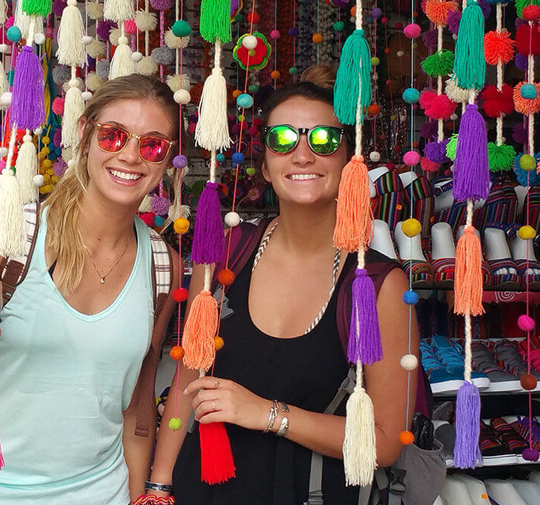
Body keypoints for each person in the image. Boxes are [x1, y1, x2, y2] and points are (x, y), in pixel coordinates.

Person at [144, 68, 420, 505]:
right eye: (284, 140)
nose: (303, 154)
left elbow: (384, 443)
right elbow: (188, 377)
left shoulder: (377, 286)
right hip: (208, 487)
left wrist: (267, 414)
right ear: (266, 168)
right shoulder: (224, 254)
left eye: (324, 140)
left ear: (350, 164)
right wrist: (158, 486)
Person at [0, 74, 181, 504]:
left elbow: (137, 408)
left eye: (152, 144)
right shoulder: (6, 241)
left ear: (167, 159)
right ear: (85, 134)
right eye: (114, 136)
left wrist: (142, 495)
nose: (131, 156)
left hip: (99, 493)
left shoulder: (162, 264)